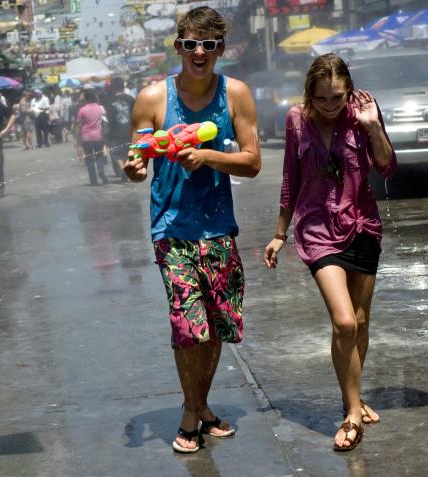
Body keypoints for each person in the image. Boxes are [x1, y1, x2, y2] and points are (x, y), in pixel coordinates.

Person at [122, 6, 261, 453]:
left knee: (216, 325)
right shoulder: (151, 99)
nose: (198, 52)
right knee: (189, 325)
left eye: (208, 45)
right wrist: (135, 167)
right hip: (171, 227)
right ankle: (189, 411)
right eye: (190, 44)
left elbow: (252, 160)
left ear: (220, 48)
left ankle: (201, 405)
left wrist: (208, 157)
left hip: (218, 226)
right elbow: (138, 161)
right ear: (177, 46)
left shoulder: (235, 94)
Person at [263, 53, 396, 452]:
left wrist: (372, 127)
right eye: (321, 98)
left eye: (337, 97)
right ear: (310, 93)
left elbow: (387, 166)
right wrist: (279, 234)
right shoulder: (295, 120)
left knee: (360, 320)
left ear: (348, 91)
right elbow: (291, 176)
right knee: (343, 322)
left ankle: (351, 396)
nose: (330, 106)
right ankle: (352, 415)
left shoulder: (363, 114)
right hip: (318, 230)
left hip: (362, 228)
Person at [74, 89, 109, 186]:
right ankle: (101, 171)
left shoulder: (82, 110)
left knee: (89, 158)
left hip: (86, 137)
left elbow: (79, 125)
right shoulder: (100, 108)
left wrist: (77, 137)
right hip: (99, 136)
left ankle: (93, 180)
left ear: (85, 98)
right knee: (99, 156)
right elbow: (104, 120)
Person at [104, 77, 135, 182]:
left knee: (116, 154)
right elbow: (137, 114)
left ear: (113, 87)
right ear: (123, 86)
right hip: (130, 130)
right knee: (129, 152)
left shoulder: (109, 101)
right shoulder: (131, 99)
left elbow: (108, 118)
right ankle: (129, 169)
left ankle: (123, 170)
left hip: (115, 131)